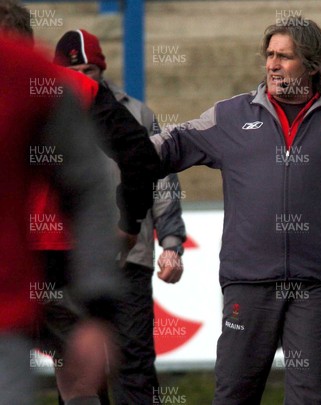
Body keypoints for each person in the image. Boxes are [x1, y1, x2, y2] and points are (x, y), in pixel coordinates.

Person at [149, 17, 321, 404]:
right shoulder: (230, 116)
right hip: (247, 283)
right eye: (269, 55)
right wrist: (117, 145)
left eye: (284, 57)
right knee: (233, 395)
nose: (272, 65)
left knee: (311, 399)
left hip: (316, 286)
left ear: (312, 65)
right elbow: (166, 147)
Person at [53, 29, 187, 404]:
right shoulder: (51, 114)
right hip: (72, 257)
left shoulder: (137, 112)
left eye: (88, 70)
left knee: (134, 363)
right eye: (73, 70)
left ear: (102, 69)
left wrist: (172, 242)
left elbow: (162, 180)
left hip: (131, 255)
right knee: (78, 364)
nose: (80, 78)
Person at [0, 34, 120, 405]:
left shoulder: (30, 74)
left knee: (78, 379)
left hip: (18, 298)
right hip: (45, 264)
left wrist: (98, 299)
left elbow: (89, 185)